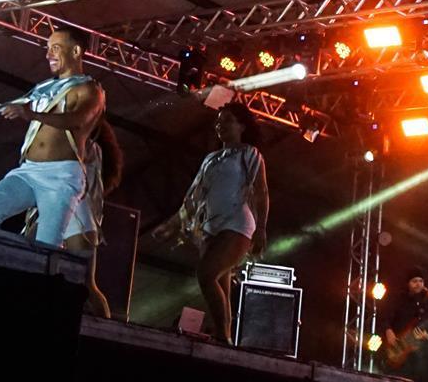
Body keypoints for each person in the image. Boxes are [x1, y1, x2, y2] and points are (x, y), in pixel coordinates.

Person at [150, 104, 270, 345]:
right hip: (211, 226)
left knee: (206, 275)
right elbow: (193, 196)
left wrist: (262, 228)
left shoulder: (249, 154)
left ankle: (223, 338)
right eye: (218, 121)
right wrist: (172, 224)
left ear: (242, 126)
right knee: (221, 283)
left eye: (228, 120)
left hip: (237, 223)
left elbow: (261, 192)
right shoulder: (211, 159)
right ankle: (224, 337)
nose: (220, 125)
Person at [0, 28, 104, 243]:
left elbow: (77, 122)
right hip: (29, 170)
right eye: (48, 48)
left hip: (61, 176)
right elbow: (22, 107)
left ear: (76, 51)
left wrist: (30, 113)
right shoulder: (45, 88)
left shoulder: (89, 90)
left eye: (56, 48)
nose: (48, 55)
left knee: (47, 243)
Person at [50, 116, 123, 317]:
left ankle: (105, 330)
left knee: (84, 281)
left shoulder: (89, 149)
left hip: (79, 216)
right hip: (62, 211)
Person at [383, 269, 428, 382]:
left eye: (421, 281)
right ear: (408, 283)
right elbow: (387, 317)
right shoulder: (400, 298)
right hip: (400, 348)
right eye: (414, 281)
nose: (418, 284)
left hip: (423, 352)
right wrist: (388, 330)